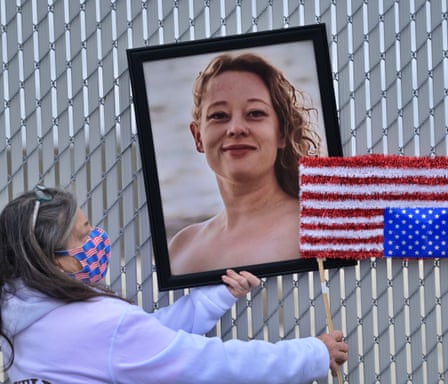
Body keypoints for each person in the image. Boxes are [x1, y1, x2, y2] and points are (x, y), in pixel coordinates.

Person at [0, 185, 348, 383]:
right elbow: (211, 362)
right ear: (51, 258)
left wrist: (214, 298)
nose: (97, 238)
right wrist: (312, 354)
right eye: (84, 233)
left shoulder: (23, 313)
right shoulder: (100, 324)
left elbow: (142, 338)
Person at [169, 52, 325, 274]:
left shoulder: (318, 228)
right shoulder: (181, 249)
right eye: (219, 115)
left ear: (281, 132)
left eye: (255, 113)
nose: (235, 129)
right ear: (198, 137)